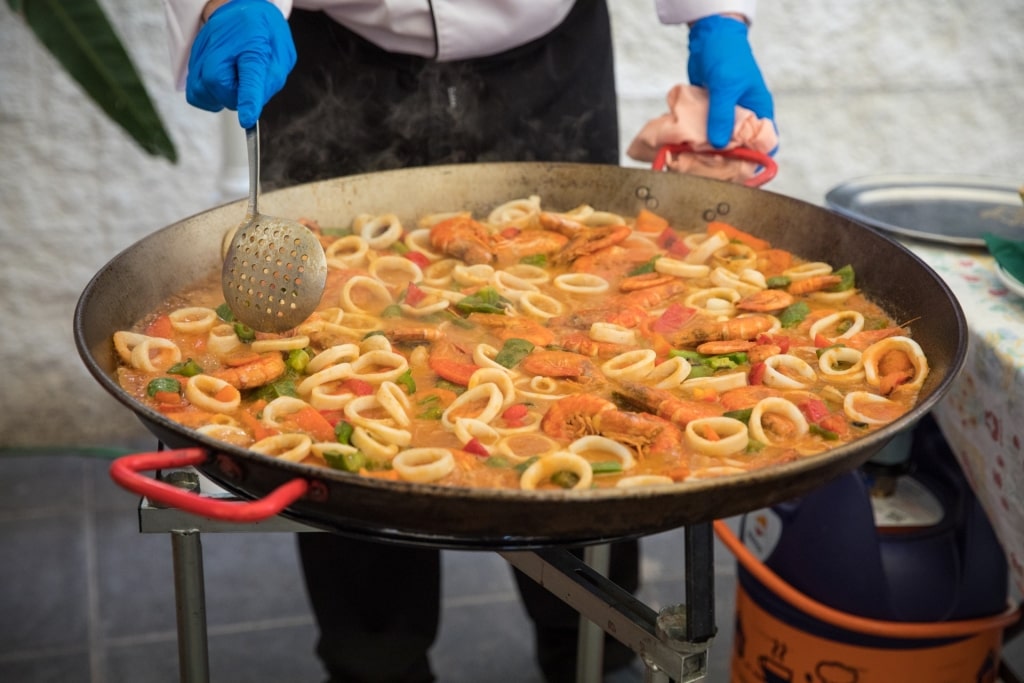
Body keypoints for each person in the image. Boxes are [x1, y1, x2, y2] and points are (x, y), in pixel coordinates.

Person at [163, 2, 774, 681]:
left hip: (547, 66)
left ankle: (596, 654)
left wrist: (715, 15)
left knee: (595, 449)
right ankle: (374, 660)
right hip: (333, 64)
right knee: (341, 467)